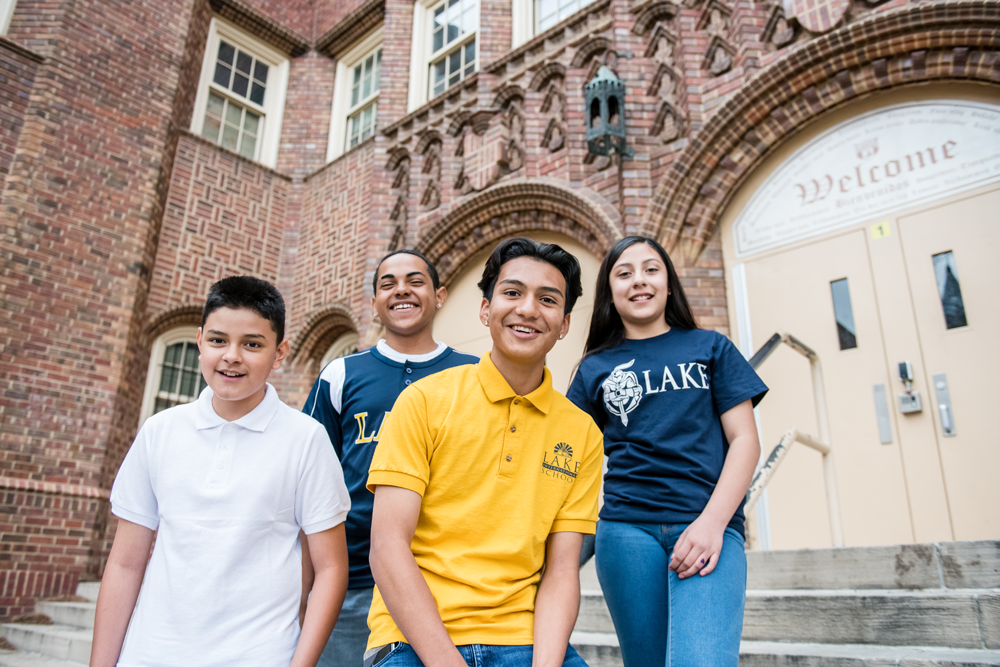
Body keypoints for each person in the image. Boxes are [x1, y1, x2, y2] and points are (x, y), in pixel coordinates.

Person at [365, 237, 603, 667]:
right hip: (414, 640)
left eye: (547, 299)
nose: (528, 309)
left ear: (565, 323)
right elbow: (386, 546)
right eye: (512, 293)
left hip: (527, 640)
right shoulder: (423, 401)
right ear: (485, 309)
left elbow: (562, 571)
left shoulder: (582, 433)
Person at [91, 276, 352, 667]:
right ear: (199, 341)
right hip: (151, 652)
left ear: (279, 353)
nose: (232, 356)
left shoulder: (306, 439)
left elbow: (331, 569)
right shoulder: (159, 432)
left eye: (252, 344)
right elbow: (126, 563)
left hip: (260, 655)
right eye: (218, 340)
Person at [566, 236, 766, 667]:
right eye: (624, 273)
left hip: (709, 525)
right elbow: (566, 456)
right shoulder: (594, 368)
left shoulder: (711, 348)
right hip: (625, 532)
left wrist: (712, 524)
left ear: (669, 284)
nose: (639, 281)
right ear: (610, 292)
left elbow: (746, 441)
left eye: (651, 269)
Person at [301, 249, 477, 666]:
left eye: (416, 281)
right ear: (375, 302)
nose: (402, 289)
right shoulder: (340, 374)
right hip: (351, 580)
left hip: (445, 581)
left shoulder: (473, 374)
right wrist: (303, 587)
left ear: (440, 295)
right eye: (388, 283)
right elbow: (305, 483)